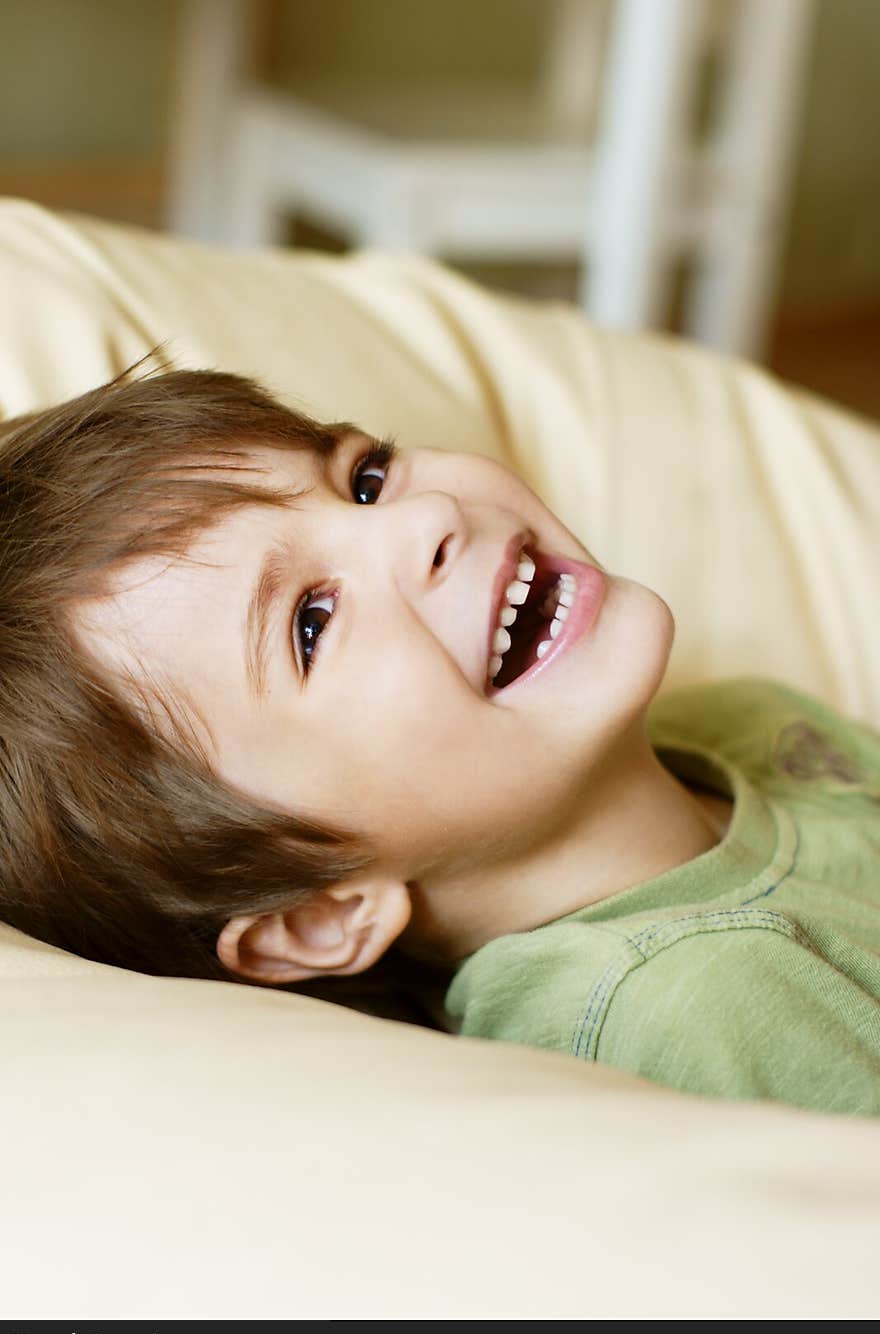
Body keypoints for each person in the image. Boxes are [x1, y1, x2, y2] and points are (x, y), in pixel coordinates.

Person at [1, 359, 878, 1115]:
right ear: (319, 914)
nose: (425, 520)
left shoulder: (735, 723)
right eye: (311, 623)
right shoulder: (690, 1016)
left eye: (365, 477)